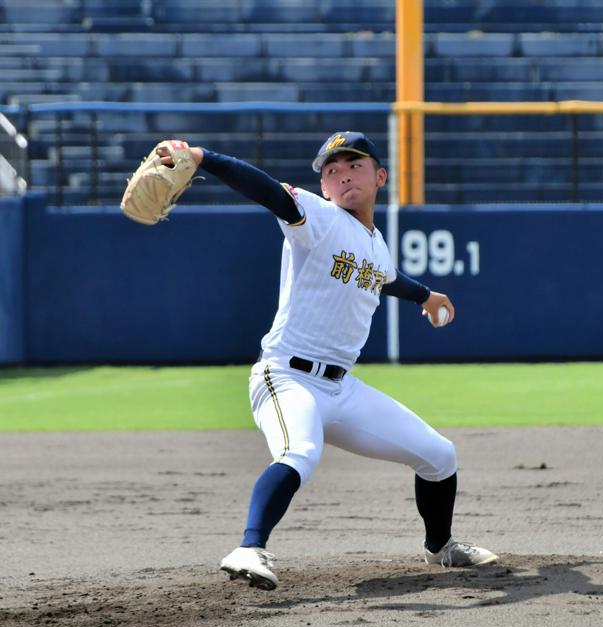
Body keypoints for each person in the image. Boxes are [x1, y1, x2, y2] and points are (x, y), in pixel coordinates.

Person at [157, 131, 498, 591]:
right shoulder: (316, 218)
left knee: (439, 455)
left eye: (353, 165)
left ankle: (441, 547)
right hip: (286, 376)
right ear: (323, 188)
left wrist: (425, 296)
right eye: (331, 171)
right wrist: (203, 157)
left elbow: (385, 277)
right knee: (300, 452)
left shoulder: (374, 243)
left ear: (380, 176)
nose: (341, 175)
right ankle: (249, 547)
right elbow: (268, 191)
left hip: (341, 389)